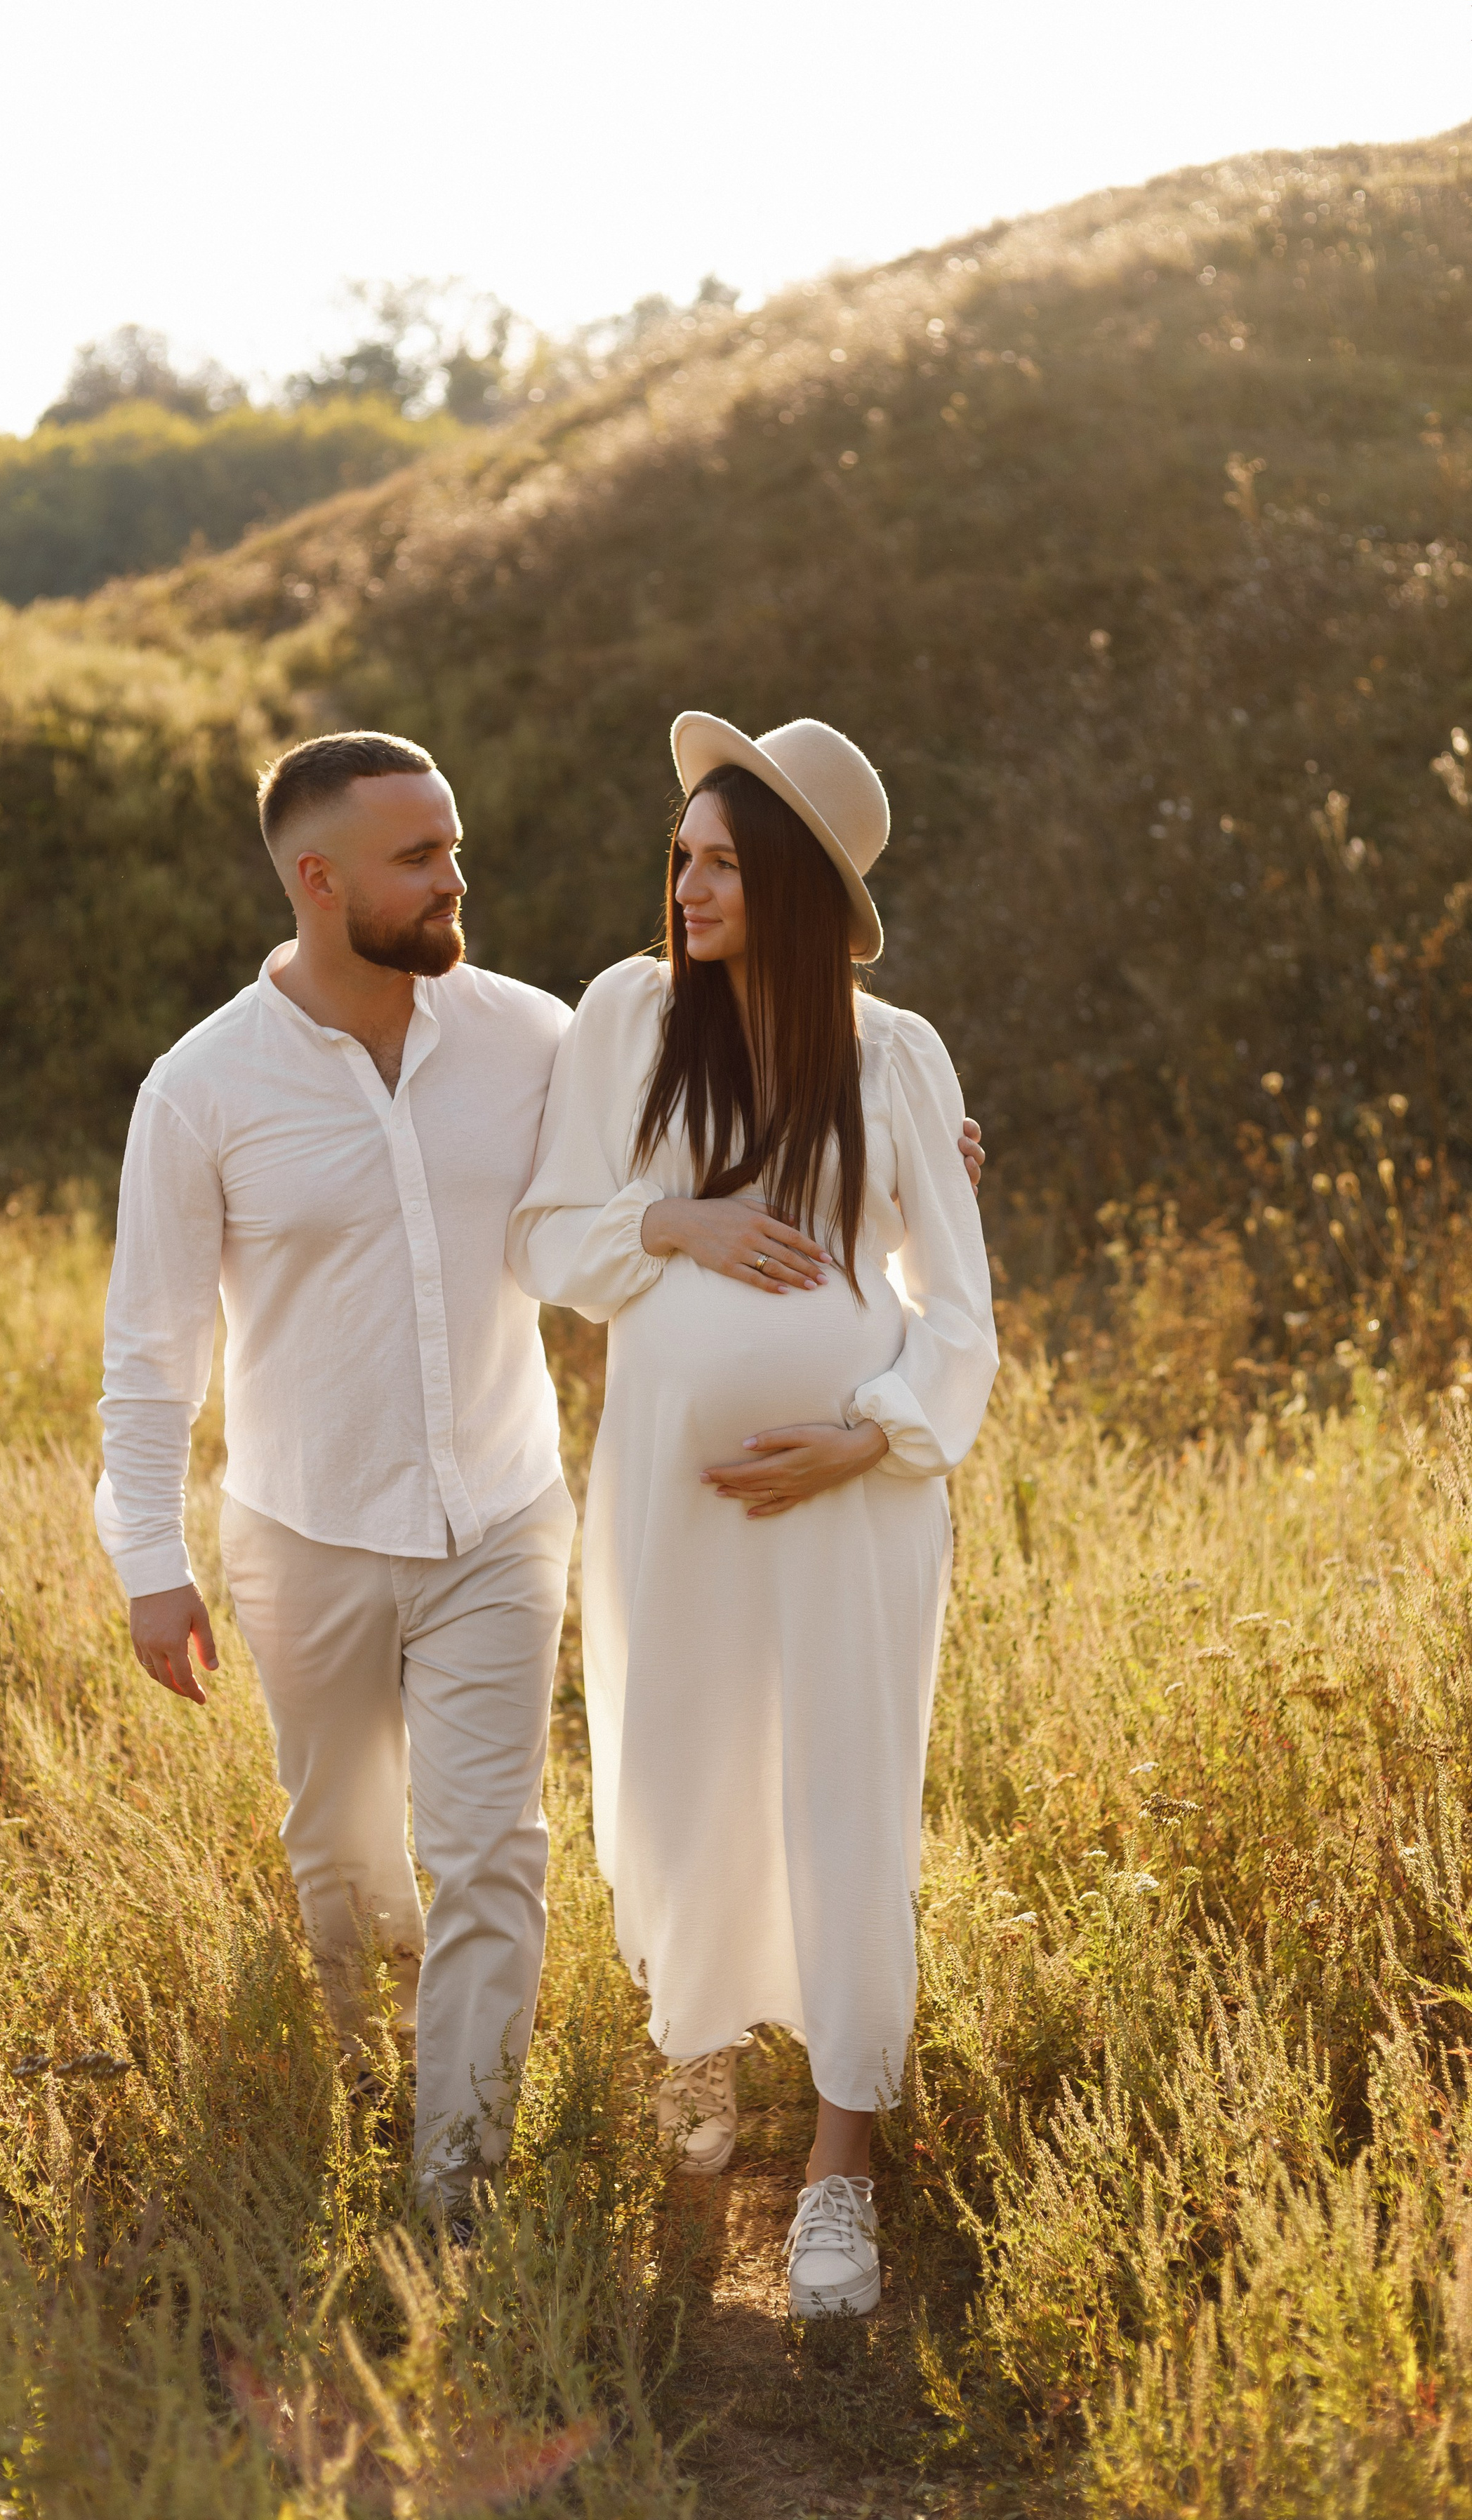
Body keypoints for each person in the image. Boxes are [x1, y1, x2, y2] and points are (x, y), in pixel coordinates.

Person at [94, 725, 986, 2221]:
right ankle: (392, 2090)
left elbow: (887, 1208)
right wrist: (146, 1553)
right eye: (422, 856)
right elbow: (160, 1349)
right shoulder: (217, 1087)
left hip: (526, 1511)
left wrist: (917, 1173)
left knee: (510, 1848)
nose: (461, 876)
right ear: (319, 879)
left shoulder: (539, 1029)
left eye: (453, 843)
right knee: (367, 1848)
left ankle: (463, 2186)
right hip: (318, 1522)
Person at [508, 713, 998, 2317]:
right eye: (682, 852)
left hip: (854, 1504)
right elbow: (550, 1236)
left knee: (847, 1789)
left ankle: (840, 2166)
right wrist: (684, 1219)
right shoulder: (627, 1015)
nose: (686, 881)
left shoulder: (895, 1054)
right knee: (675, 1769)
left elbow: (958, 1306)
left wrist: (866, 1438)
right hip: (670, 1488)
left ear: (786, 879)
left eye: (721, 859)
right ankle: (697, 2066)